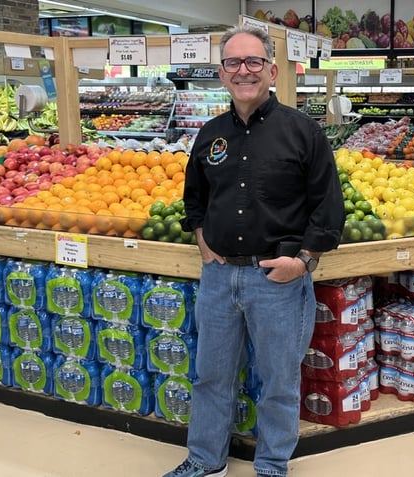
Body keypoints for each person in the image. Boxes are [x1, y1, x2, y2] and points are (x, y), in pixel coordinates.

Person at [164, 25, 344, 477]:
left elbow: (328, 208)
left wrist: (301, 262)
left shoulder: (303, 132)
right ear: (222, 74)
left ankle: (271, 464)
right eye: (232, 63)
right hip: (220, 278)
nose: (243, 71)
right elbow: (194, 198)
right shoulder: (210, 135)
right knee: (210, 377)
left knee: (279, 382)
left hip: (277, 281)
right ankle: (206, 461)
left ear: (272, 71)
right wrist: (202, 239)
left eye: (253, 62)